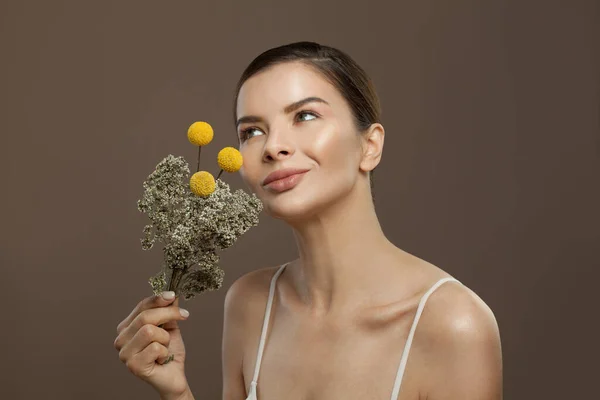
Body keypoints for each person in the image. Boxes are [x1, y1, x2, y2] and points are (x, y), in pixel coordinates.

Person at [114, 41, 503, 400]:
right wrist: (177, 393)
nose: (272, 146)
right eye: (252, 131)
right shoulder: (250, 304)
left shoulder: (453, 325)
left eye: (305, 115)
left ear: (370, 146)